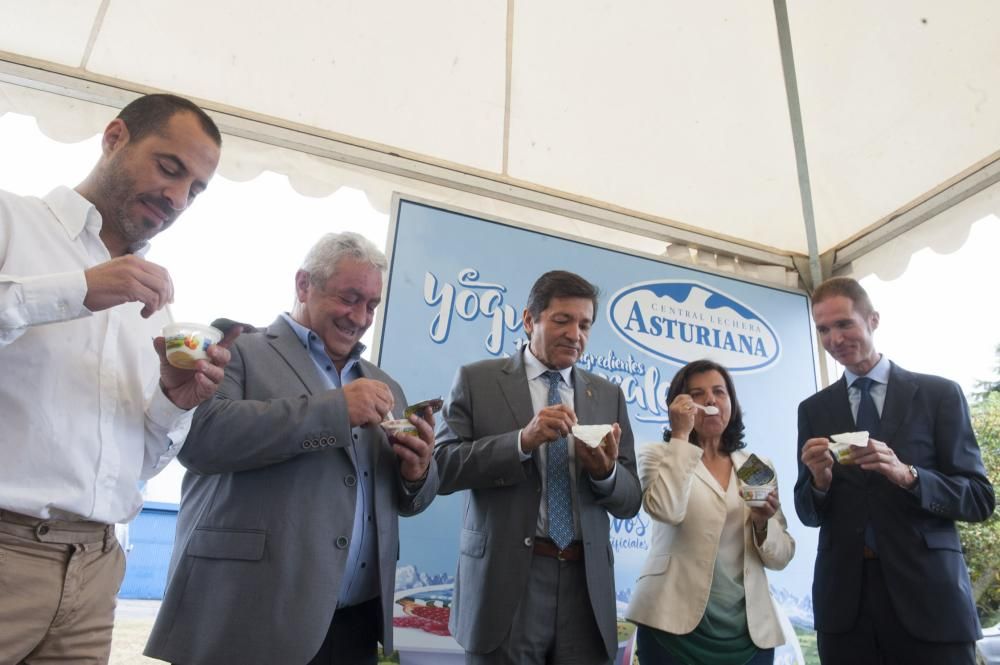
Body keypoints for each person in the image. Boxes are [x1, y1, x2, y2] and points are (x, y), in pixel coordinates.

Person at [0, 93, 235, 664]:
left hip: (98, 567)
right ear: (114, 138)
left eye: (195, 190)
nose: (177, 198)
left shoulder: (157, 304)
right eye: (169, 167)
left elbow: (141, 462)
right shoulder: (11, 220)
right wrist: (76, 289)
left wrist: (173, 405)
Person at [144, 232, 440, 665]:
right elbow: (201, 441)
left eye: (371, 305)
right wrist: (334, 410)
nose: (360, 316)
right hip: (248, 615)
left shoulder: (385, 383)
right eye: (349, 298)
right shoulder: (236, 349)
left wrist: (417, 473)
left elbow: (409, 500)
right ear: (304, 285)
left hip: (353, 624)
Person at [435, 269, 642, 665]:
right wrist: (521, 442)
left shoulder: (608, 396)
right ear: (530, 320)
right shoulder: (477, 381)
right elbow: (441, 467)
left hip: (586, 587)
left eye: (585, 325)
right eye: (562, 320)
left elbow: (631, 500)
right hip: (506, 584)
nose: (575, 334)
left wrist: (605, 474)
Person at [794, 276, 995, 664]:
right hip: (846, 608)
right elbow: (807, 511)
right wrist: (819, 482)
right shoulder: (813, 410)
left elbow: (979, 498)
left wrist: (910, 475)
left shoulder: (939, 395)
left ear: (873, 320)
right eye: (823, 329)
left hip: (930, 600)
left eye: (843, 324)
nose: (834, 339)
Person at [627, 359, 795, 665]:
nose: (711, 400)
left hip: (748, 635)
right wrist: (680, 436)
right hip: (670, 628)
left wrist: (761, 523)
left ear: (732, 402)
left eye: (719, 392)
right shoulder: (658, 454)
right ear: (678, 405)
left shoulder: (755, 465)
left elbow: (780, 556)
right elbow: (666, 510)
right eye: (697, 394)